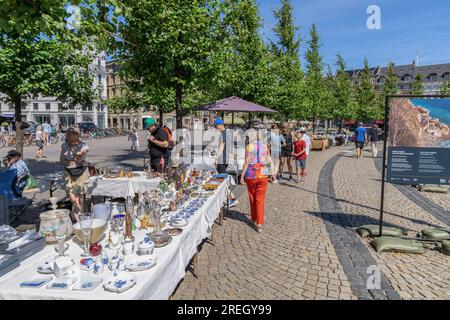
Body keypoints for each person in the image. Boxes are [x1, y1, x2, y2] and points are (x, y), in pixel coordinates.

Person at [240, 130, 275, 233]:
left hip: (251, 175)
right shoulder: (265, 146)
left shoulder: (249, 147)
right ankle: (259, 223)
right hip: (263, 175)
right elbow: (269, 160)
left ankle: (254, 218)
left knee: (252, 197)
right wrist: (272, 173)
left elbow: (246, 162)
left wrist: (242, 176)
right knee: (260, 199)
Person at [60, 127, 90, 222]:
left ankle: (79, 219)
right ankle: (77, 216)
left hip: (81, 173)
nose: (66, 136)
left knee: (80, 197)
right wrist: (72, 161)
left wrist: (70, 159)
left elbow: (78, 160)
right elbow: (61, 161)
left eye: (69, 134)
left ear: (76, 135)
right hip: (68, 173)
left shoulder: (84, 146)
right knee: (73, 198)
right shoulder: (64, 146)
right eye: (66, 134)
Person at [213, 118, 238, 207]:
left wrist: (216, 158)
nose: (215, 127)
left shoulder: (223, 134)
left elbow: (221, 147)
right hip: (226, 159)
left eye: (216, 126)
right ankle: (227, 198)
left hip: (222, 160)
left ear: (220, 125)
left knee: (222, 181)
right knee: (222, 180)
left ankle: (233, 199)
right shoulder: (228, 133)